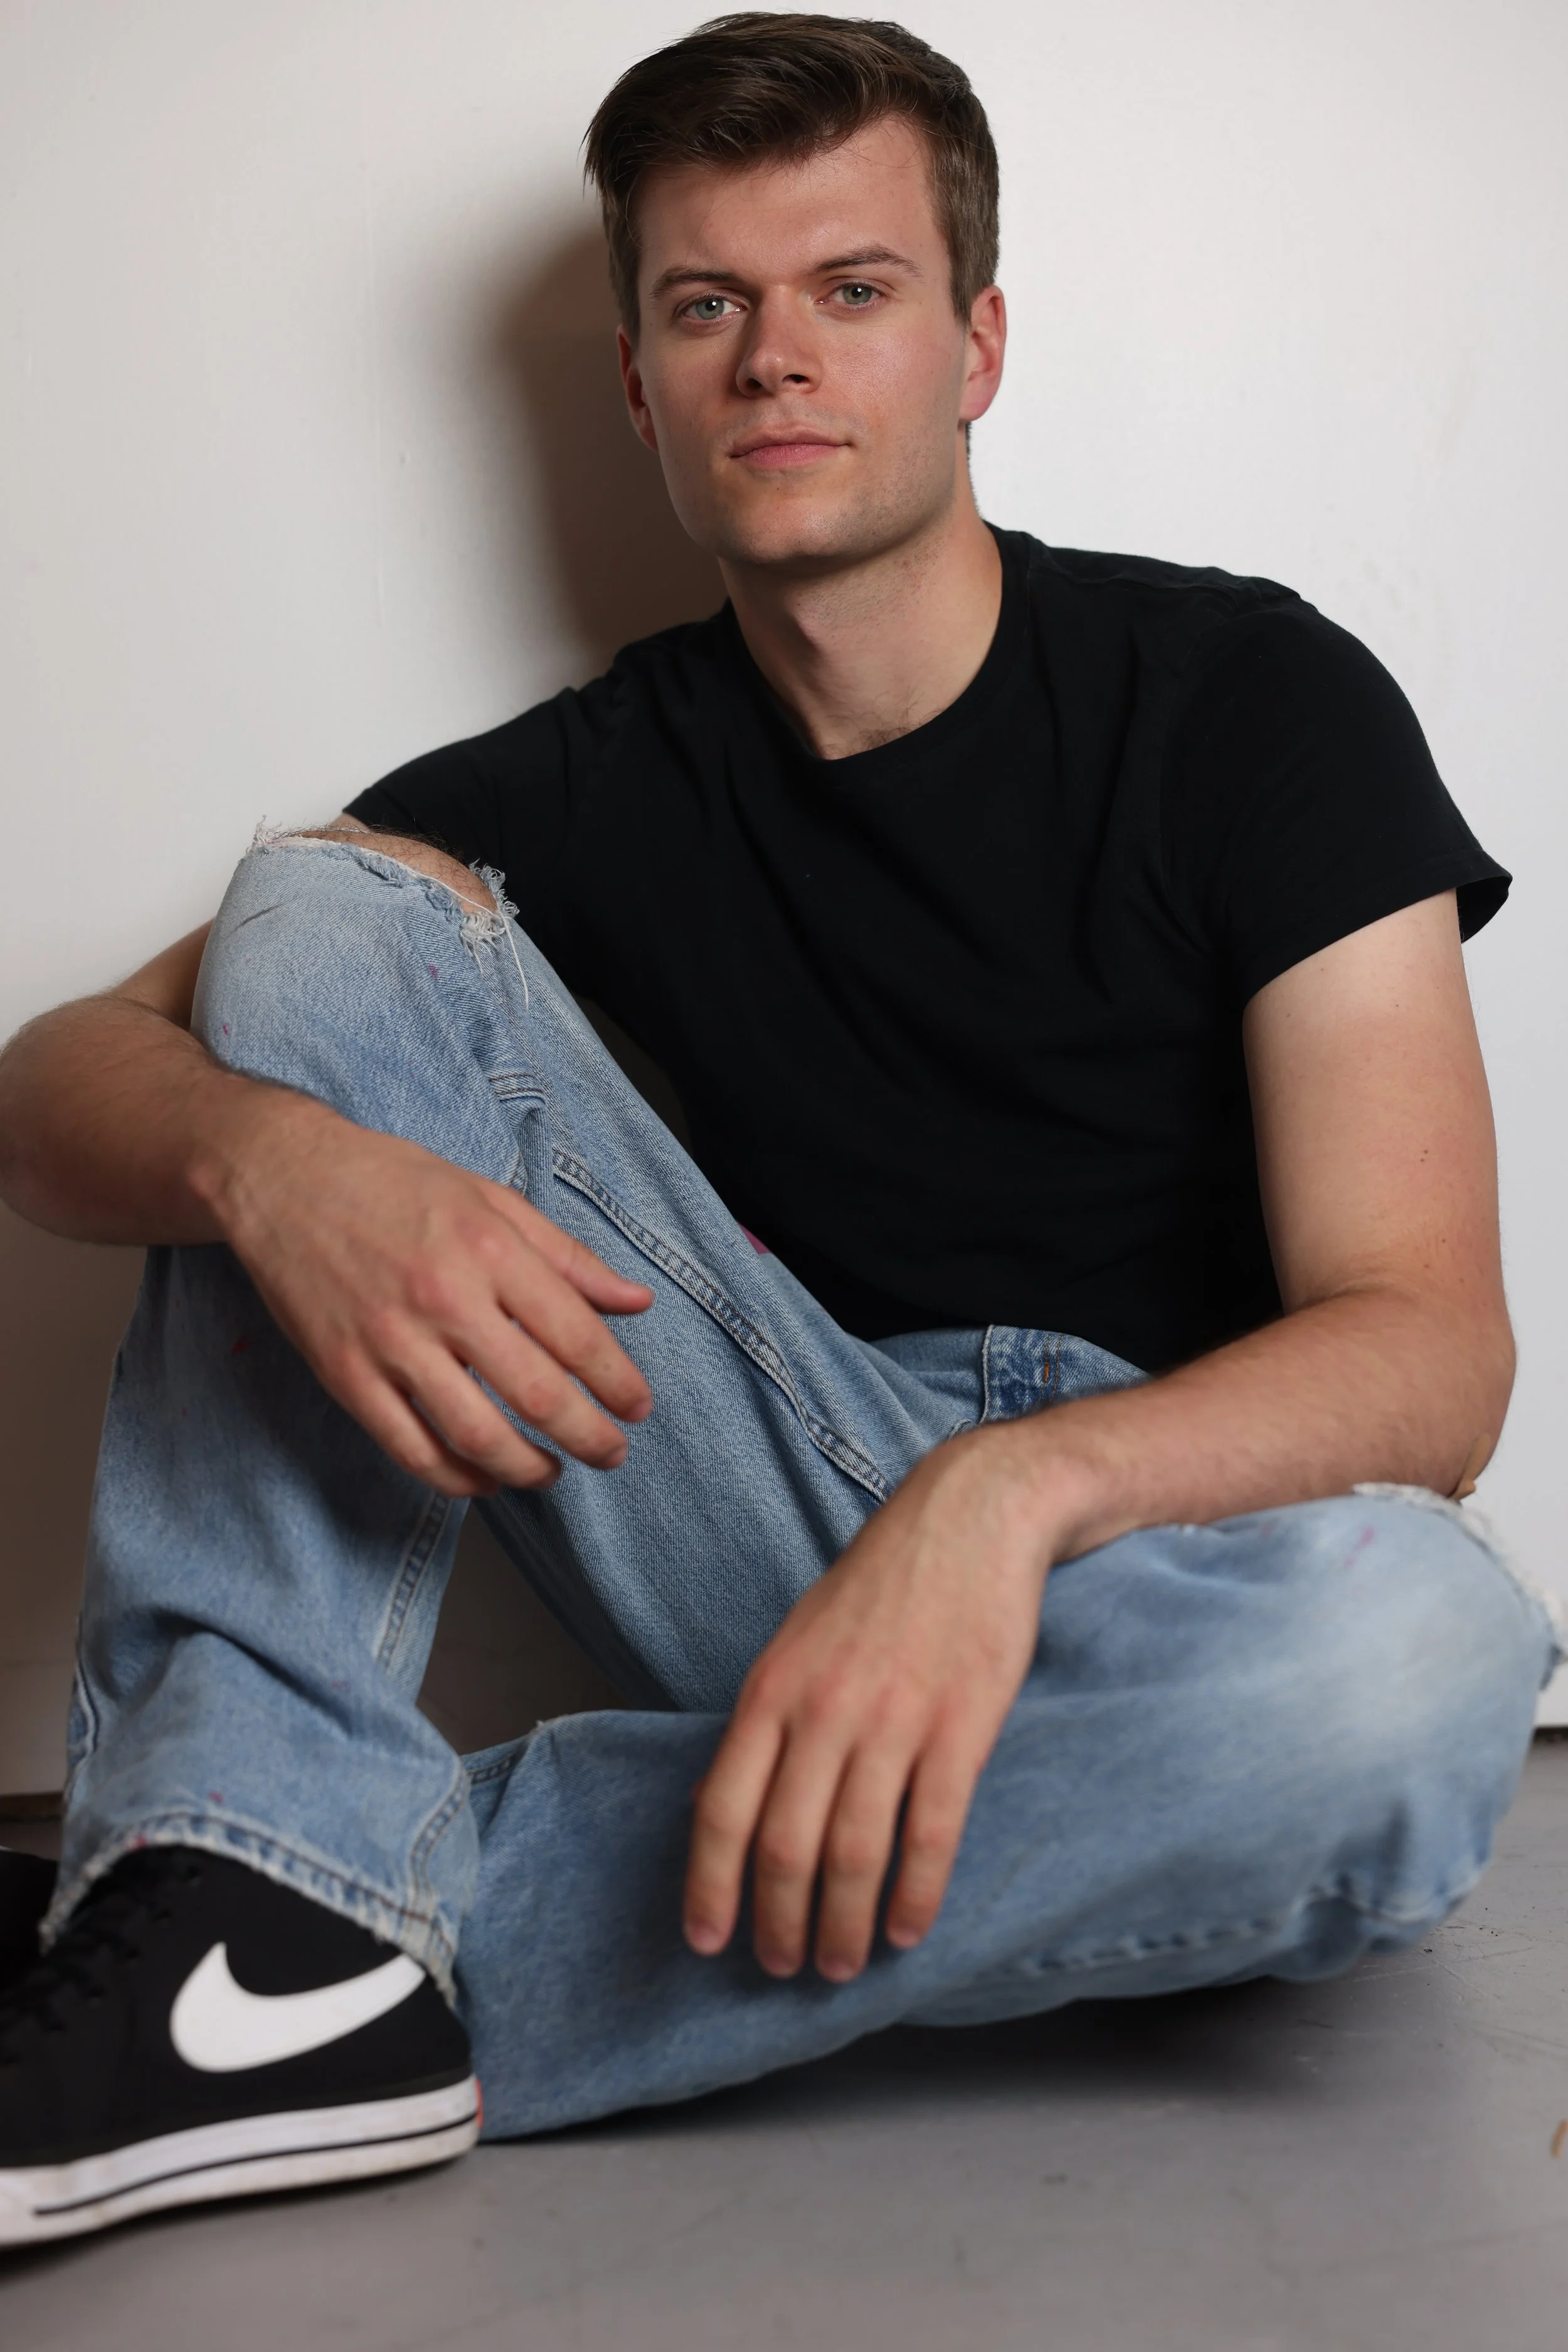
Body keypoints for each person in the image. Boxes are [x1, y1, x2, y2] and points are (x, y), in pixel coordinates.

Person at [0, 11, 1556, 2249]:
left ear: (975, 342)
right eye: (706, 305)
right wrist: (278, 1165)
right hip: (759, 1505)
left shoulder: (1251, 700)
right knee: (312, 933)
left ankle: (262, 1924)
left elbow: (1428, 1354)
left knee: (1415, 1659)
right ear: (637, 380)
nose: (775, 361)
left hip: (1136, 1568)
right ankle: (236, 1913)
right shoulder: (575, 785)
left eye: (852, 289)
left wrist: (1004, 1497)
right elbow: (53, 1087)